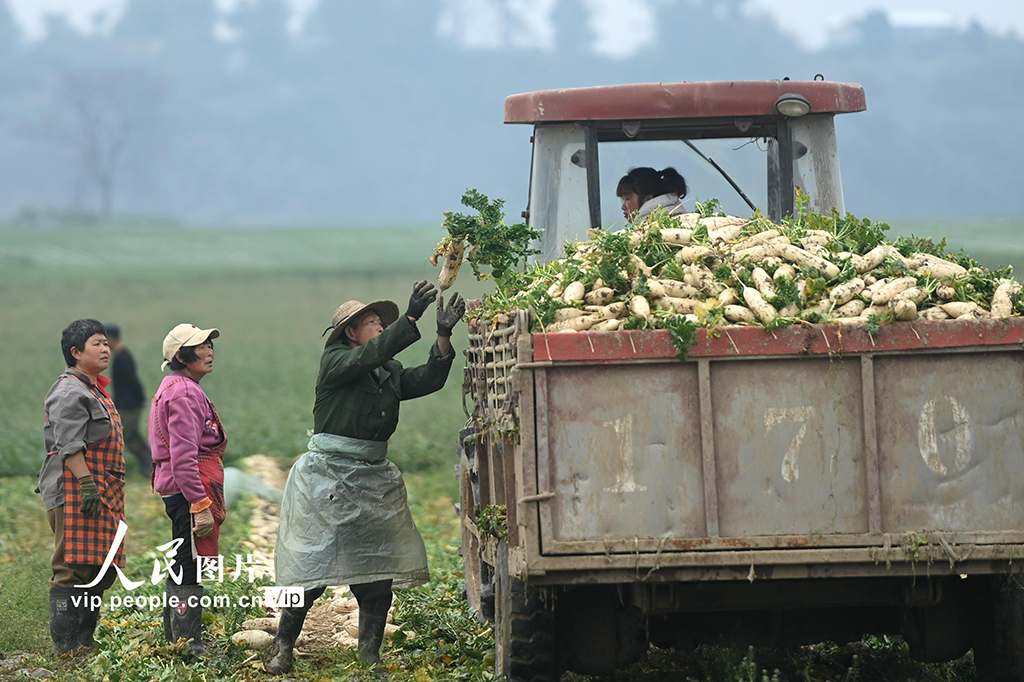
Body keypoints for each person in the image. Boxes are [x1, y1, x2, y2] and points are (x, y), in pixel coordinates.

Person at [266, 281, 466, 673]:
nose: (378, 327)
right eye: (371, 322)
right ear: (350, 333)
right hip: (328, 478)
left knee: (377, 570)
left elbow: (428, 379)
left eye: (380, 322)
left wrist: (442, 335)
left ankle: (370, 655)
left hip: (372, 478)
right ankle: (283, 646)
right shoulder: (337, 363)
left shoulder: (387, 371)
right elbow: (376, 351)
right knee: (312, 566)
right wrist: (409, 318)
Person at [38, 319, 127, 655]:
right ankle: (66, 649)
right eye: (96, 344)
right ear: (75, 352)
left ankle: (83, 644)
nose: (105, 349)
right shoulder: (68, 391)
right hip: (75, 489)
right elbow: (68, 446)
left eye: (106, 343)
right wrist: (88, 484)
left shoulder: (92, 388)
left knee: (97, 569)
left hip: (101, 490)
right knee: (71, 568)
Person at [148, 323, 226, 655]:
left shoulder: (176, 386)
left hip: (180, 487)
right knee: (188, 560)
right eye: (201, 346)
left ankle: (176, 637)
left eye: (210, 345)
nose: (209, 351)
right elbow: (183, 457)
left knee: (183, 557)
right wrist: (199, 504)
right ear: (181, 356)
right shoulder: (183, 392)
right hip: (187, 488)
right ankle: (188, 642)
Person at [103, 323, 153, 478]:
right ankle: (150, 467)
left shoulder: (122, 357)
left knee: (128, 437)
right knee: (130, 436)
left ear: (111, 338)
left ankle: (150, 467)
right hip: (127, 404)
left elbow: (132, 382)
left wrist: (136, 401)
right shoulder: (120, 355)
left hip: (129, 405)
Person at [616, 166, 688, 222]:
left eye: (627, 199)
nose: (623, 207)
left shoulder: (650, 227)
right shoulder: (681, 215)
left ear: (648, 199)